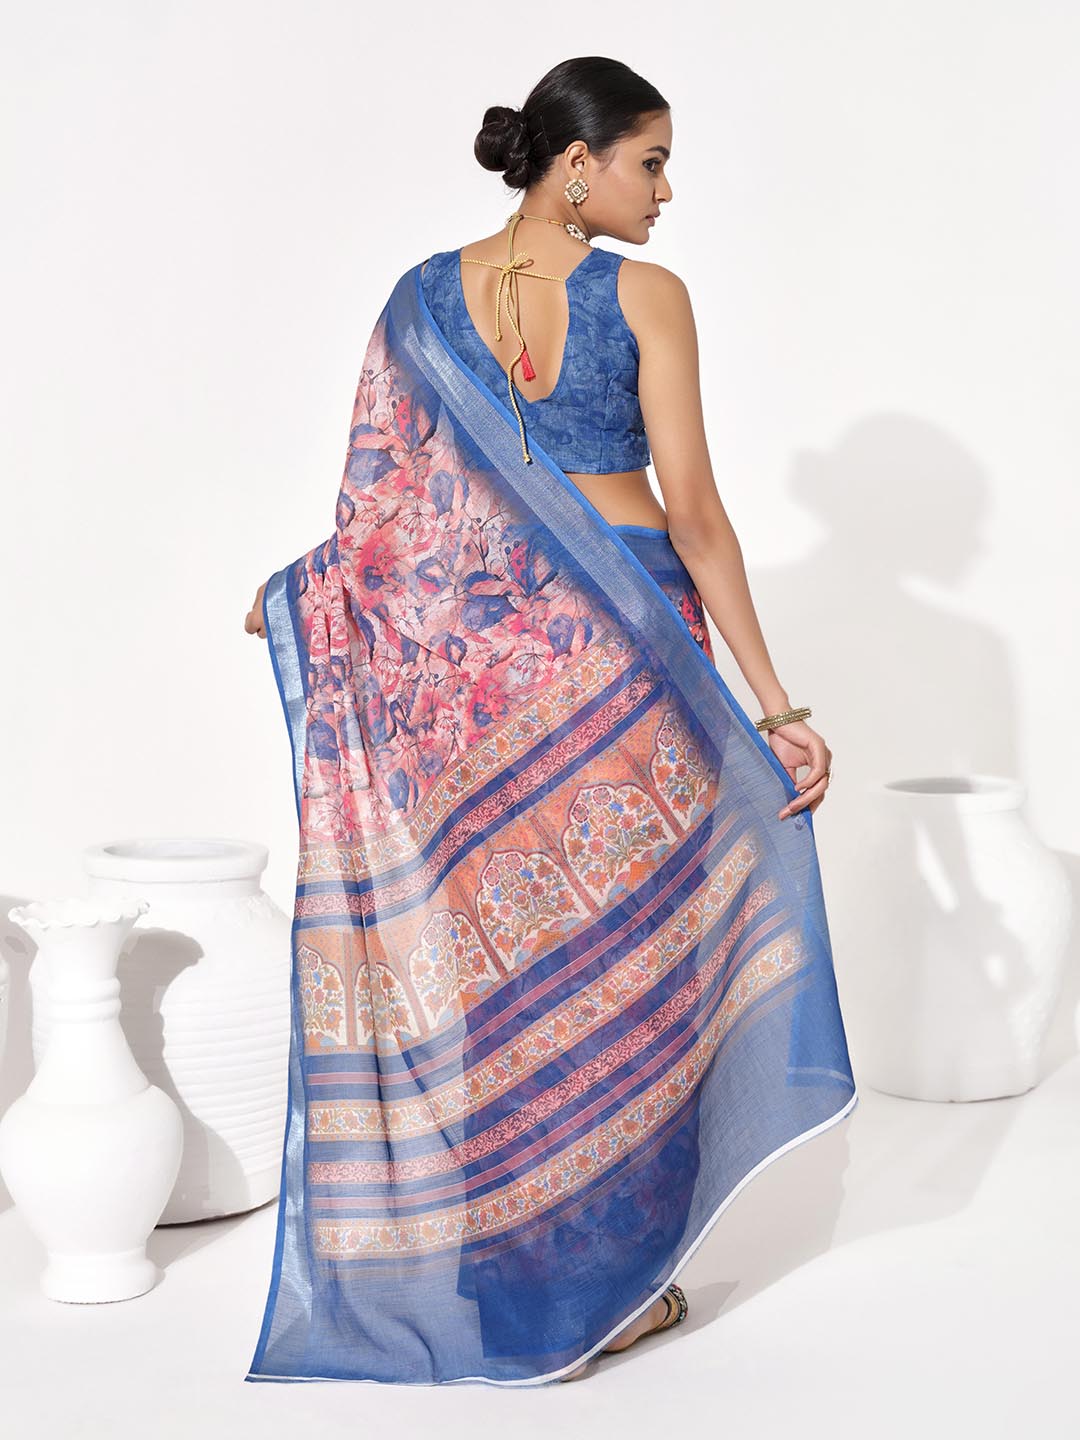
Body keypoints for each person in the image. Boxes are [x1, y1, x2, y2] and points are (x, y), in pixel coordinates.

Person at [243, 56, 855, 1389]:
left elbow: (380, 514)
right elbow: (694, 515)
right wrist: (778, 706)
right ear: (577, 164)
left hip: (485, 688)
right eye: (651, 160)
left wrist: (308, 593)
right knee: (631, 961)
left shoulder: (419, 299)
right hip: (626, 660)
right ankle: (605, 1295)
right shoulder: (645, 296)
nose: (666, 190)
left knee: (512, 974)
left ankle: (527, 1288)